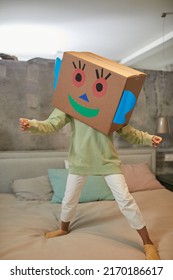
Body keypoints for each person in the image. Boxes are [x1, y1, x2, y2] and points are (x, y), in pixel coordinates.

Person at [20, 108, 162, 260]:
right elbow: (51, 124)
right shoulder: (72, 102)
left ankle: (148, 243)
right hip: (80, 162)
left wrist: (148, 138)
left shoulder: (112, 105)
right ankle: (63, 229)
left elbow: (128, 132)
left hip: (108, 162)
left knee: (126, 200)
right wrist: (32, 125)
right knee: (69, 199)